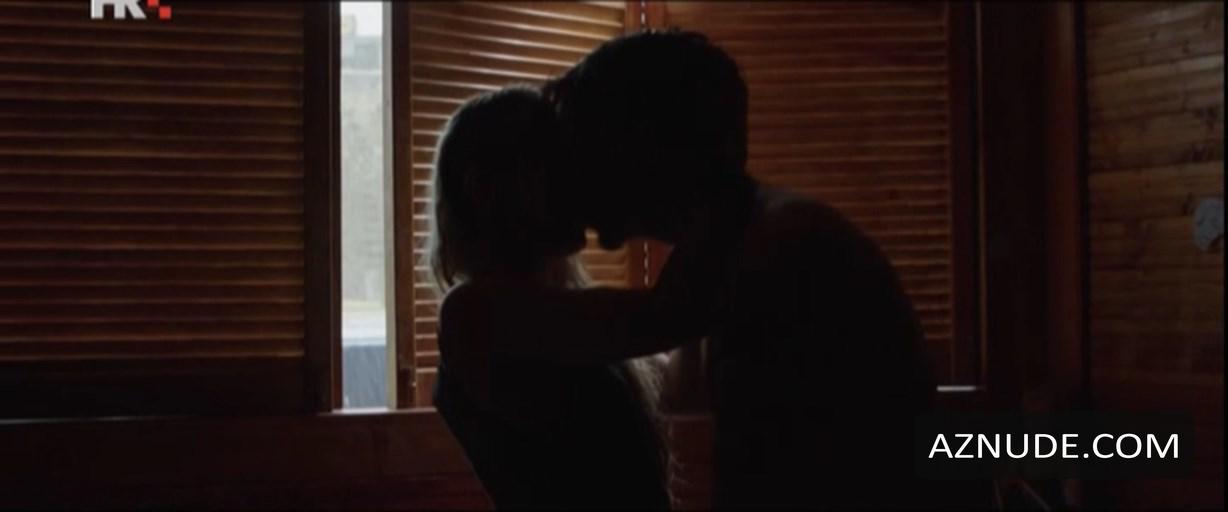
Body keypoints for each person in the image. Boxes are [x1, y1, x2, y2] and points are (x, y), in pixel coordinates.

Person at [538, 30, 961, 508]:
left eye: (586, 142)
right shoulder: (737, 249)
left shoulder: (777, 258)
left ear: (640, 145)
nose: (571, 172)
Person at [426, 86, 674, 510]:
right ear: (487, 188)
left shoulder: (563, 311)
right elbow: (663, 316)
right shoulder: (471, 313)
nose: (579, 182)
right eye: (554, 165)